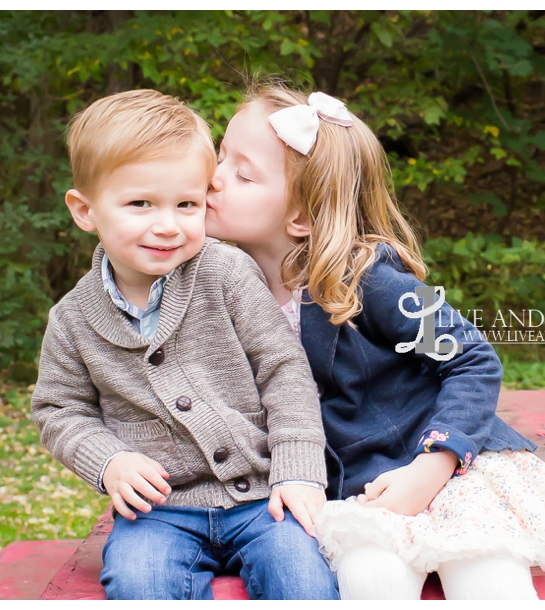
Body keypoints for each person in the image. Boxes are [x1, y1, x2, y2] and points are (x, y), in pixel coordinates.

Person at [205, 82, 545, 600]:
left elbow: (473, 361)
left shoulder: (366, 281)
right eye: (220, 155)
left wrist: (433, 464)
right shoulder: (223, 289)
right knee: (371, 578)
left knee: (487, 571)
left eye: (241, 173)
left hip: (442, 466)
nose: (213, 179)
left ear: (301, 217)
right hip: (358, 488)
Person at [30, 89, 338, 600]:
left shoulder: (226, 272)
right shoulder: (72, 318)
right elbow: (59, 410)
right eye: (140, 204)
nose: (168, 225)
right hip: (160, 512)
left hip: (265, 497)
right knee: (138, 581)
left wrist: (300, 472)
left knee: (302, 573)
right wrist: (109, 461)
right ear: (85, 210)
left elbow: (283, 369)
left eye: (187, 204)